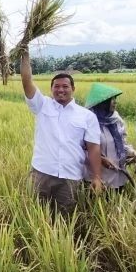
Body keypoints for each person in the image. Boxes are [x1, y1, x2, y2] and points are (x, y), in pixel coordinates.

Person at [20, 50, 102, 215]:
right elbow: (26, 80)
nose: (61, 90)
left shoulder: (87, 116)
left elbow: (93, 148)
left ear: (73, 88)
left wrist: (97, 177)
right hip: (41, 173)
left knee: (65, 219)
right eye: (56, 86)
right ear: (51, 89)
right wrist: (25, 55)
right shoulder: (43, 105)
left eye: (65, 86)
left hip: (70, 176)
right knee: (36, 217)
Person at [83, 83, 136, 190]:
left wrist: (132, 153)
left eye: (115, 99)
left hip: (119, 177)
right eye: (111, 99)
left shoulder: (116, 120)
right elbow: (80, 150)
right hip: (96, 179)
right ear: (102, 103)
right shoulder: (87, 122)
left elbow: (123, 144)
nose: (115, 102)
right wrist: (100, 159)